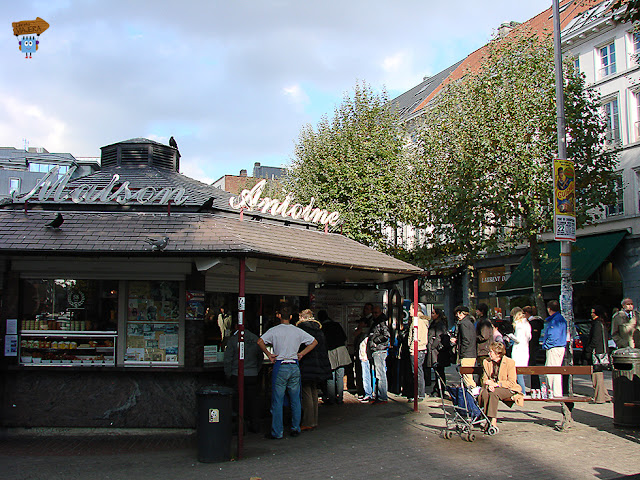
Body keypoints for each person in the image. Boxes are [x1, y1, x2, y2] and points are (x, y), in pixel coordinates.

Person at [257, 306, 318, 440]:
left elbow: (260, 341)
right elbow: (314, 342)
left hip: (280, 365)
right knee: (295, 398)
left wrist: (269, 354)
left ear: (279, 316)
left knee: (277, 400)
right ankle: (295, 428)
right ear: (291, 317)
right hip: (294, 365)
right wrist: (301, 354)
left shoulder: (274, 331)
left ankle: (277, 431)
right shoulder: (297, 331)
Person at [223, 319, 265, 433]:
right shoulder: (255, 339)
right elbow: (260, 358)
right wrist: (255, 370)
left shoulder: (233, 340)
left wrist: (228, 374)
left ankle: (240, 427)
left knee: (238, 402)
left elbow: (228, 359)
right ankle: (254, 425)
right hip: (252, 374)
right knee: (252, 401)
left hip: (237, 374)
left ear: (236, 326)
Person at [296, 309, 331, 431]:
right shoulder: (318, 329)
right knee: (314, 391)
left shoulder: (302, 329)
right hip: (318, 365)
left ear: (302, 317)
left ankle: (308, 421)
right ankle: (314, 420)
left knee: (306, 392)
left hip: (307, 363)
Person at [478, 342, 524, 432]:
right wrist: (489, 384)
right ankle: (488, 420)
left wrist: (497, 384)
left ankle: (492, 420)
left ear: (498, 353)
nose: (489, 353)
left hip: (507, 388)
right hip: (492, 387)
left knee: (494, 393)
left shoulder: (509, 362)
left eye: (491, 352)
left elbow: (511, 382)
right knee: (486, 393)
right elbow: (484, 379)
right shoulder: (486, 362)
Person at [317, 310, 351, 405]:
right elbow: (344, 337)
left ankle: (331, 399)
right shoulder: (336, 325)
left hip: (329, 352)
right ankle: (340, 398)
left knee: (330, 376)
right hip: (341, 350)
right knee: (340, 375)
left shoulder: (322, 328)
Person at [585, 306, 612, 404]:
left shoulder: (596, 324)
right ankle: (605, 395)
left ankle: (600, 397)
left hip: (596, 352)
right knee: (599, 374)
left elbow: (595, 339)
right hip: (602, 352)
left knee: (596, 375)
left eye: (593, 312)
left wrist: (588, 350)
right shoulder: (602, 323)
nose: (591, 314)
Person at [541, 300, 567, 398]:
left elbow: (553, 334)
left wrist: (547, 345)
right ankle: (555, 392)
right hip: (560, 346)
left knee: (551, 371)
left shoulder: (555, 320)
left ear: (549, 309)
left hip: (554, 347)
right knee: (556, 370)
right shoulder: (561, 319)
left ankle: (553, 393)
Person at [450, 305, 477, 389]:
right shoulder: (469, 322)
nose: (456, 316)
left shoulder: (463, 324)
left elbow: (466, 339)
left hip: (467, 354)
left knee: (467, 377)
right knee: (467, 376)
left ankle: (474, 394)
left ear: (461, 313)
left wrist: (462, 351)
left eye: (457, 313)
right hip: (471, 353)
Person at [368, 305, 390, 403]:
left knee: (380, 373)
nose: (374, 315)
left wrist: (375, 341)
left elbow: (386, 335)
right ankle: (379, 395)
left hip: (379, 350)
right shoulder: (375, 321)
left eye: (376, 313)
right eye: (373, 313)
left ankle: (382, 396)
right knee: (378, 373)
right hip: (377, 349)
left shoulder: (382, 321)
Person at [506, 310, 532, 396]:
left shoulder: (519, 325)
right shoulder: (527, 325)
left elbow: (518, 340)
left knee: (517, 371)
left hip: (518, 350)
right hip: (525, 350)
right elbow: (529, 337)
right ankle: (521, 390)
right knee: (520, 371)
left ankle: (521, 391)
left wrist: (510, 336)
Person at [427, 308, 451, 395]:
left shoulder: (439, 324)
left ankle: (440, 388)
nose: (431, 315)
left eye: (433, 313)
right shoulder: (435, 323)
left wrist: (433, 346)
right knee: (438, 370)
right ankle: (438, 388)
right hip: (436, 350)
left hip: (438, 351)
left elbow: (438, 337)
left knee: (439, 370)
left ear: (437, 314)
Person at [407, 307, 429, 401]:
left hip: (417, 349)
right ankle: (418, 393)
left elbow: (417, 336)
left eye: (411, 309)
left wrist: (412, 347)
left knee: (417, 372)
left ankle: (419, 394)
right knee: (417, 371)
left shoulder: (418, 322)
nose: (409, 311)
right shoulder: (419, 321)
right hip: (420, 349)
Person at [354, 304, 373, 398]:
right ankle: (365, 391)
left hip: (365, 352)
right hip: (362, 351)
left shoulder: (368, 322)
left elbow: (356, 333)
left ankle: (367, 393)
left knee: (366, 372)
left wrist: (360, 328)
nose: (365, 310)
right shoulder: (366, 320)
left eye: (368, 309)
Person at [523, 305, 544, 390]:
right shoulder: (537, 322)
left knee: (533, 367)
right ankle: (535, 386)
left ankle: (535, 386)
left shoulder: (533, 323)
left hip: (532, 347)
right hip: (534, 346)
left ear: (527, 313)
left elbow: (532, 337)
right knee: (533, 366)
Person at [475, 303, 493, 384]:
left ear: (482, 311)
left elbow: (484, 336)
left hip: (483, 350)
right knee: (482, 372)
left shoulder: (484, 322)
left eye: (477, 310)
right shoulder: (483, 321)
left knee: (483, 372)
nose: (476, 311)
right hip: (483, 350)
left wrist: (474, 337)